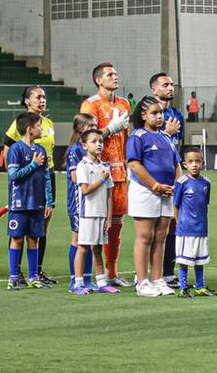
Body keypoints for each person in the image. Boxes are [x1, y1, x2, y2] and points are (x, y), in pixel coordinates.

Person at [79, 63, 133, 287]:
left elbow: (127, 138)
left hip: (119, 171)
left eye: (116, 73)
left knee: (117, 224)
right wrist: (110, 128)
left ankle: (112, 272)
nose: (115, 76)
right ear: (98, 80)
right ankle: (90, 275)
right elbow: (85, 135)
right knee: (98, 225)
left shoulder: (124, 104)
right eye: (110, 74)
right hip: (97, 172)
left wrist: (130, 164)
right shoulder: (90, 105)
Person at [125, 96, 182, 297]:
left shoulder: (167, 138)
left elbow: (176, 164)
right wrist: (155, 185)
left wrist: (177, 185)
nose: (159, 117)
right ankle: (142, 282)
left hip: (166, 192)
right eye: (154, 113)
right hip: (145, 191)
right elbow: (134, 164)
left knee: (161, 237)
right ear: (143, 115)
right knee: (145, 236)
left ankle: (157, 279)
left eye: (161, 113)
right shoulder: (137, 137)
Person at [4, 86, 57, 285]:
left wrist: (49, 200)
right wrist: (14, 184)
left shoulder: (48, 123)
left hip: (44, 177)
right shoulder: (21, 123)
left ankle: (37, 272)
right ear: (27, 101)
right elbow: (8, 151)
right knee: (18, 233)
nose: (43, 100)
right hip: (23, 187)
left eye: (44, 96)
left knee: (40, 229)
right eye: (38, 97)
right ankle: (16, 273)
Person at [149, 73, 185, 287]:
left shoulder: (177, 114)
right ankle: (146, 273)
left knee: (171, 224)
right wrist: (166, 133)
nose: (170, 88)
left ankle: (168, 272)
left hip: (172, 174)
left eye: (171, 84)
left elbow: (177, 148)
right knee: (150, 227)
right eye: (165, 85)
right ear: (154, 90)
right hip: (152, 177)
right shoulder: (148, 112)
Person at [71, 127, 117, 295]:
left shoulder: (104, 166)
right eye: (94, 141)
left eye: (101, 141)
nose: (98, 144)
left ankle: (101, 282)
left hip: (101, 214)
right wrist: (102, 179)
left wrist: (109, 217)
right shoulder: (82, 166)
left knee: (97, 248)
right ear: (84, 145)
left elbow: (109, 193)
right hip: (88, 214)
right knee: (83, 247)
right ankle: (78, 283)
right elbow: (85, 190)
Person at [172, 147, 216, 297]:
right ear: (185, 164)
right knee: (184, 260)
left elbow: (205, 204)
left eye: (197, 161)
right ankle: (183, 287)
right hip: (185, 229)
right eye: (190, 162)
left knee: (199, 259)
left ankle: (200, 287)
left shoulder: (206, 183)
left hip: (201, 228)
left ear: (203, 163)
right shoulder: (182, 182)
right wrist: (178, 223)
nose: (194, 164)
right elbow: (176, 205)